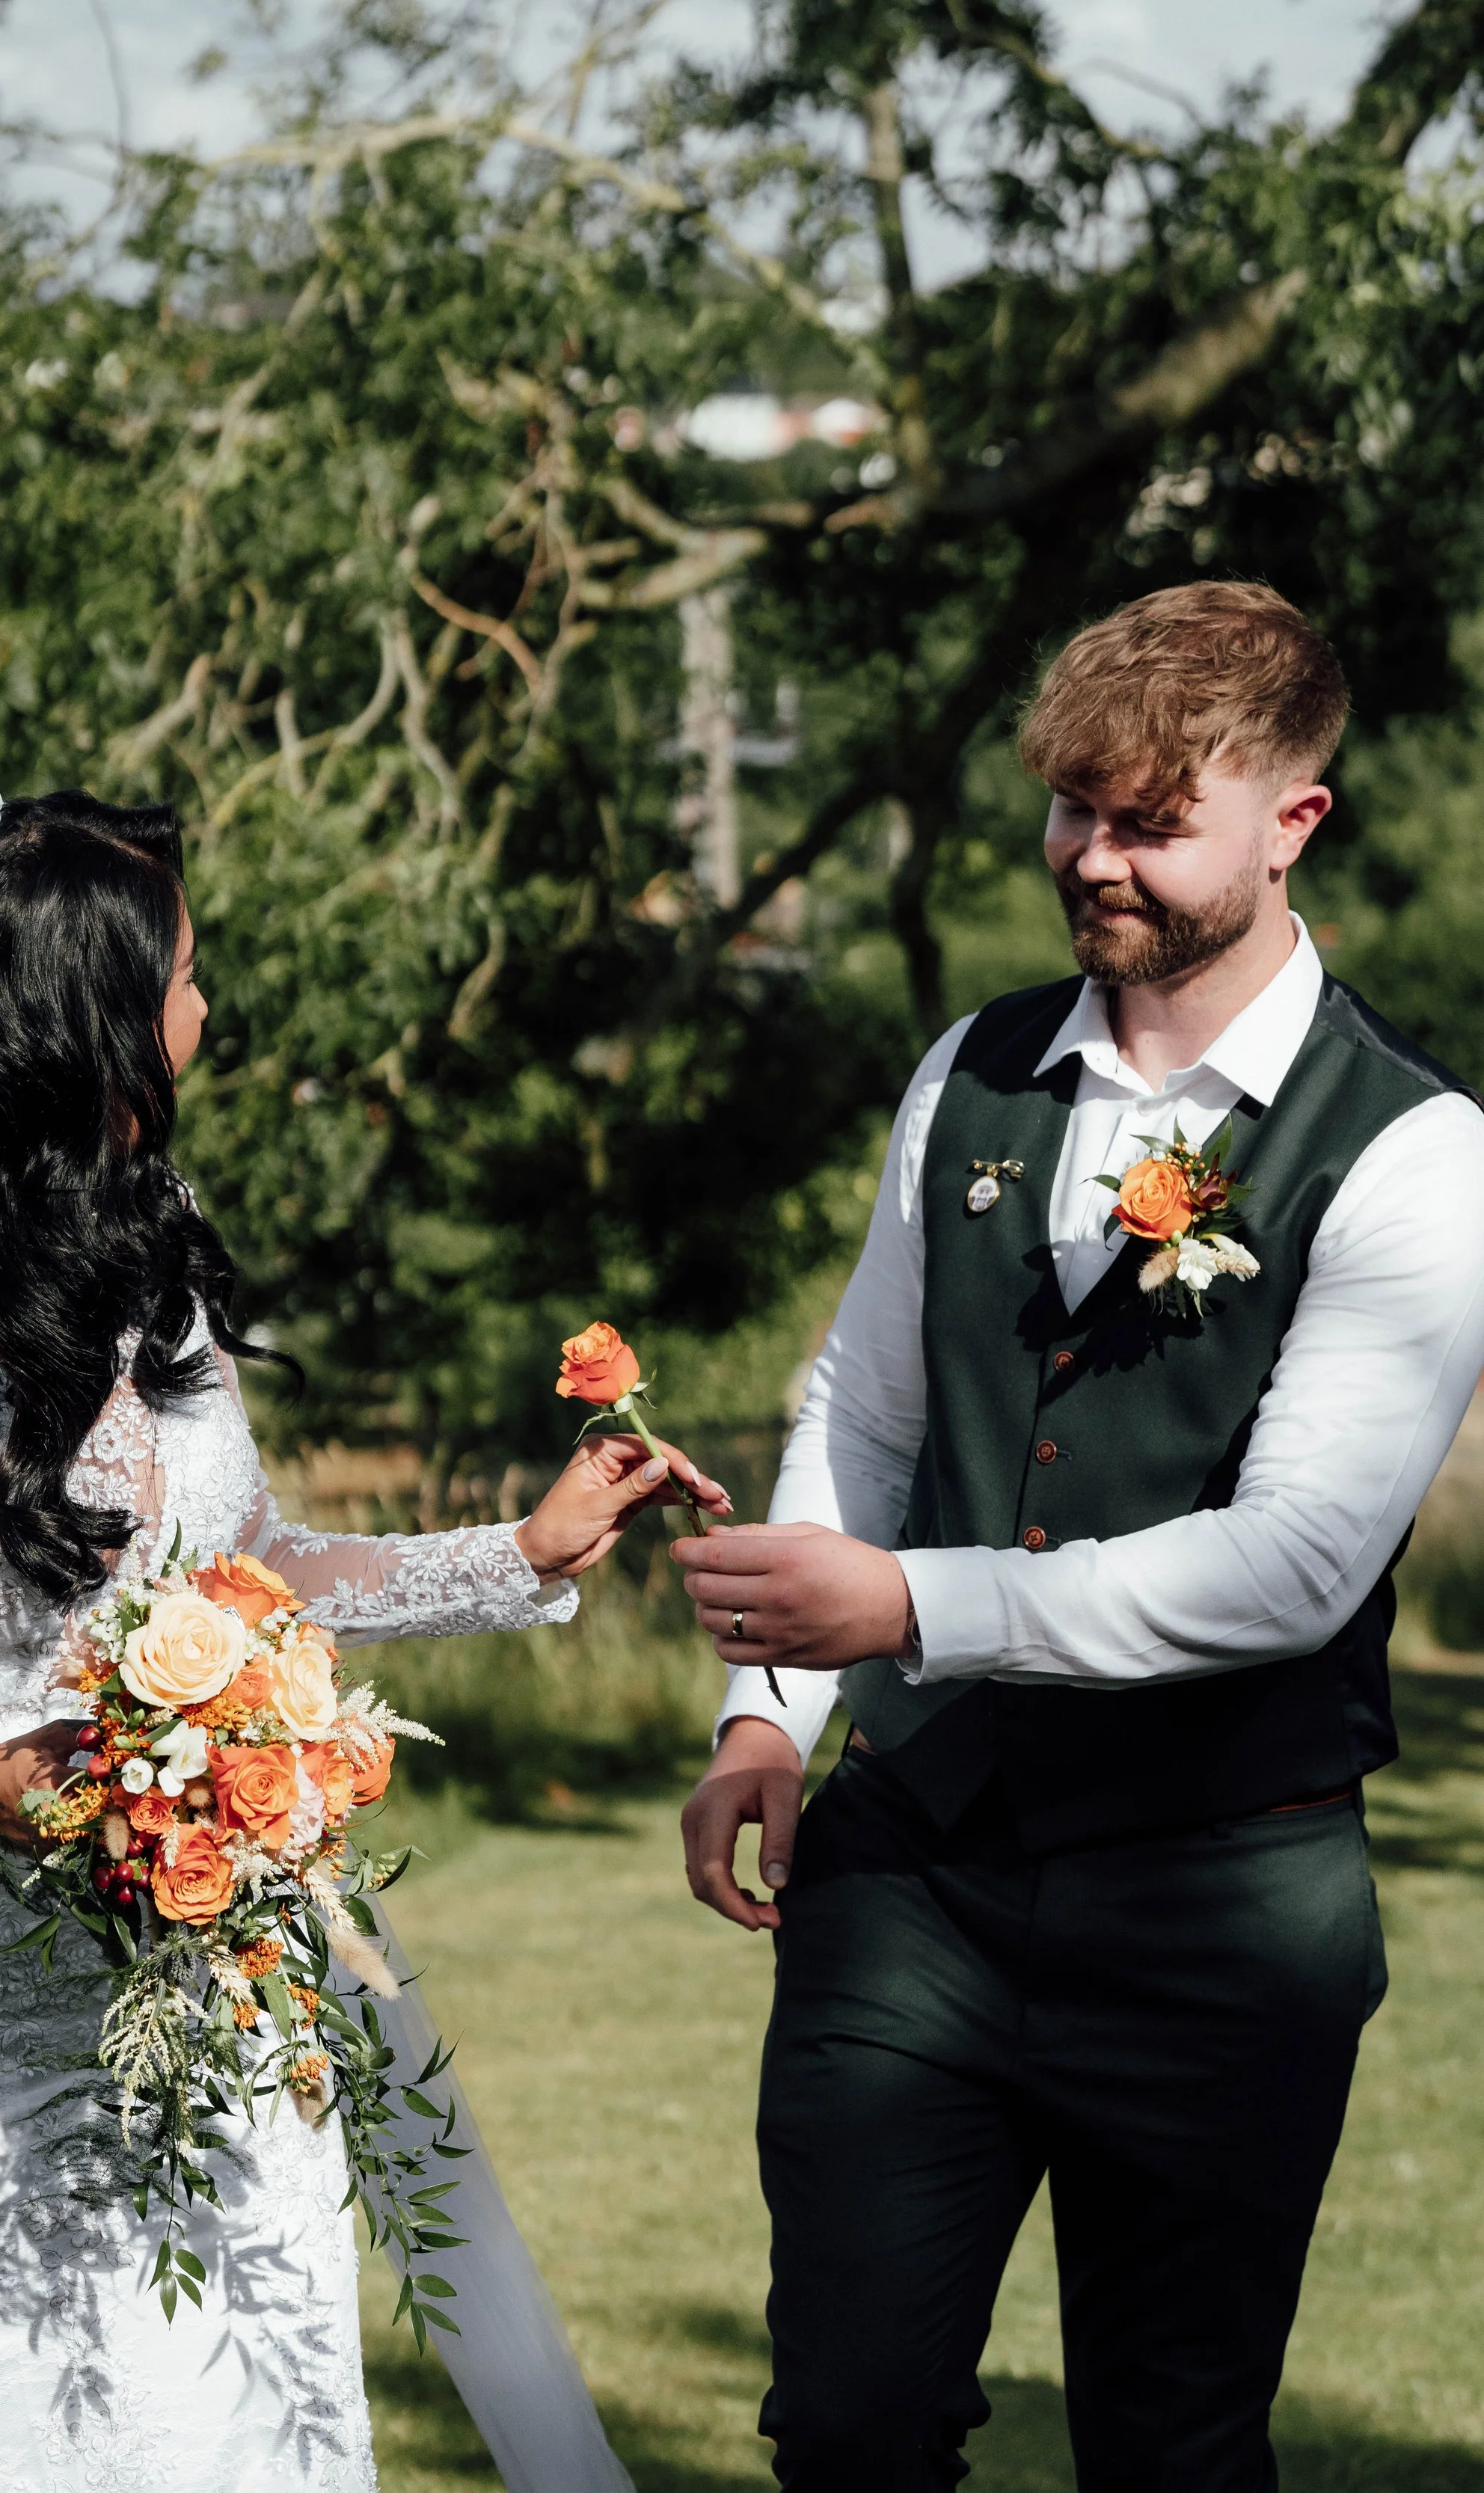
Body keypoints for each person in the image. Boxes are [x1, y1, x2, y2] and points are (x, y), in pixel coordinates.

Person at [0, 775, 729, 2493]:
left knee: (250, 2432)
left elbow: (254, 1560)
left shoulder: (151, 1266)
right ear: (76, 1025)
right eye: (182, 980)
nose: (206, 1014)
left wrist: (519, 1548)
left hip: (224, 1985)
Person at [672, 583, 1484, 2491]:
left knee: (1171, 2450)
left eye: (1144, 820)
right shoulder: (968, 1066)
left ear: (1290, 820)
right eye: (1068, 812)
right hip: (912, 1880)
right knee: (848, 2426)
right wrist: (769, 1714)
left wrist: (904, 1603)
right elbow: (861, 1408)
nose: (1089, 857)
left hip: (1220, 1904)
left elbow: (1291, 1564)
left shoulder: (1414, 1153)